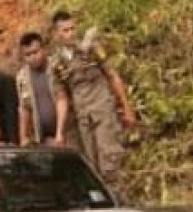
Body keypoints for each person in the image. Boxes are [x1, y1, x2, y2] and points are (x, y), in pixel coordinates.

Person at [50, 10, 137, 189]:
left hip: (103, 110)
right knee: (93, 167)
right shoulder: (56, 63)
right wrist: (59, 132)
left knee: (110, 161)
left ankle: (119, 204)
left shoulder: (90, 49)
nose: (71, 34)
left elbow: (112, 76)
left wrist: (126, 107)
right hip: (84, 117)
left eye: (73, 29)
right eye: (65, 30)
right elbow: (62, 99)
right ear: (56, 33)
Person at [15, 31, 66, 146]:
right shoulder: (22, 77)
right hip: (43, 136)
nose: (33, 57)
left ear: (43, 49)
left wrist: (60, 132)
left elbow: (62, 98)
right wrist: (23, 136)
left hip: (67, 130)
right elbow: (24, 108)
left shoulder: (56, 66)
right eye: (28, 54)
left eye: (35, 52)